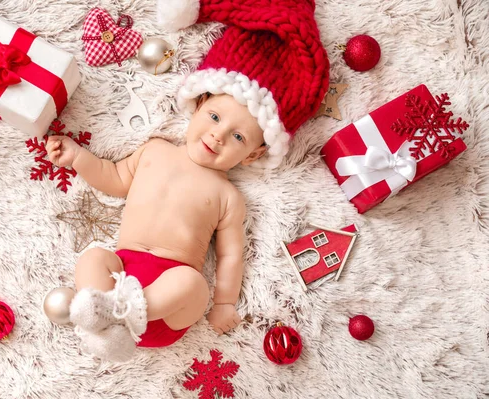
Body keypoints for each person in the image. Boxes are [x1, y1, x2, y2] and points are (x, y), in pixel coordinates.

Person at [46, 0, 329, 361]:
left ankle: (126, 316)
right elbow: (115, 179)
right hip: (123, 272)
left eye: (238, 138)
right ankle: (102, 319)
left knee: (193, 284)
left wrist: (225, 303)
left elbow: (229, 256)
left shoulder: (227, 196)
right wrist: (78, 159)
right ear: (198, 104)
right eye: (214, 116)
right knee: (94, 259)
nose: (218, 136)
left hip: (171, 304)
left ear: (255, 154)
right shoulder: (155, 150)